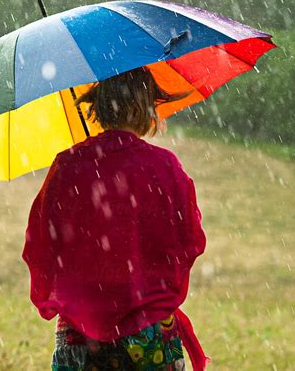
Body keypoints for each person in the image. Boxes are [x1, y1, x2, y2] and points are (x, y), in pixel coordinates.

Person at [22, 66, 209, 371]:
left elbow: (39, 246)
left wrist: (66, 298)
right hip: (150, 335)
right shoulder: (164, 167)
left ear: (98, 105)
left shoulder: (68, 166)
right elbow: (190, 241)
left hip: (79, 338)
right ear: (147, 106)